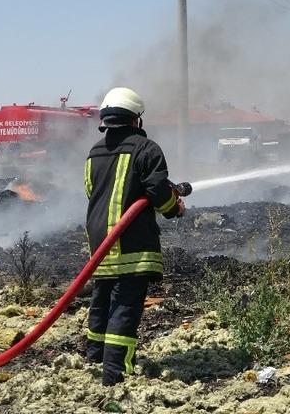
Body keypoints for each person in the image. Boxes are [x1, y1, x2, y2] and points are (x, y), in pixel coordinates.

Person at [84, 87, 185, 386]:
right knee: (125, 306)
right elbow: (156, 191)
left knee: (101, 300)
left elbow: (92, 192)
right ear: (136, 120)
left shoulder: (94, 152)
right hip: (131, 242)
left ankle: (93, 359)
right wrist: (173, 207)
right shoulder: (147, 149)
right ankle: (114, 374)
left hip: (100, 241)